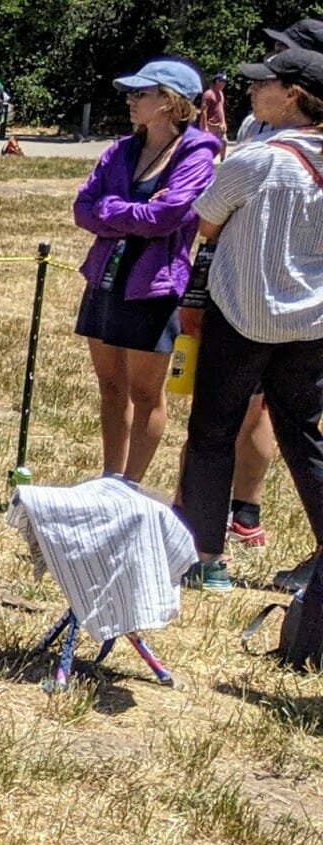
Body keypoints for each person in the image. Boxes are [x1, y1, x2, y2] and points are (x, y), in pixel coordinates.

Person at [176, 48, 323, 664]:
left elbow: (203, 221)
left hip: (244, 315)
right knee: (304, 438)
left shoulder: (260, 158)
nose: (252, 92)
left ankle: (207, 558)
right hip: (312, 323)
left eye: (263, 84)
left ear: (291, 94)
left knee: (212, 431)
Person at [71, 56, 218, 485]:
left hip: (154, 287)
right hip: (106, 276)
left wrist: (113, 210)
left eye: (141, 93)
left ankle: (131, 485)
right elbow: (84, 209)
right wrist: (132, 211)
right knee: (110, 387)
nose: (131, 100)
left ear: (170, 103)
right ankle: (108, 477)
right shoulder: (120, 149)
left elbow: (169, 217)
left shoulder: (197, 152)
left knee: (144, 392)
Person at [200, 72, 228, 158]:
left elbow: (221, 109)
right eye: (222, 81)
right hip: (210, 124)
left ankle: (223, 162)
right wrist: (205, 127)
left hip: (219, 125)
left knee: (224, 142)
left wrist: (223, 122)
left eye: (225, 82)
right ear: (217, 81)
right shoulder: (208, 94)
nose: (224, 84)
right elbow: (204, 111)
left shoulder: (221, 94)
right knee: (210, 146)